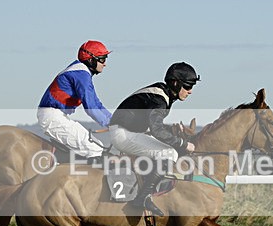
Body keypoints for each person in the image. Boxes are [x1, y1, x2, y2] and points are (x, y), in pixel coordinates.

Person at [109, 62, 200, 215]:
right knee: (169, 153)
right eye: (188, 86)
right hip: (124, 134)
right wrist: (183, 143)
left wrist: (173, 135)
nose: (190, 91)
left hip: (128, 131)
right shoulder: (159, 99)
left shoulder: (161, 93)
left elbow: (154, 126)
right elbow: (156, 130)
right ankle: (143, 197)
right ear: (176, 83)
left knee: (168, 150)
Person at [37, 40, 113, 160]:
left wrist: (114, 120)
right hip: (53, 117)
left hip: (57, 116)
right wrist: (113, 125)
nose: (105, 64)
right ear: (91, 60)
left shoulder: (82, 72)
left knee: (99, 146)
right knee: (95, 149)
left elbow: (96, 104)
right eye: (102, 59)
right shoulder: (81, 74)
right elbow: (91, 107)